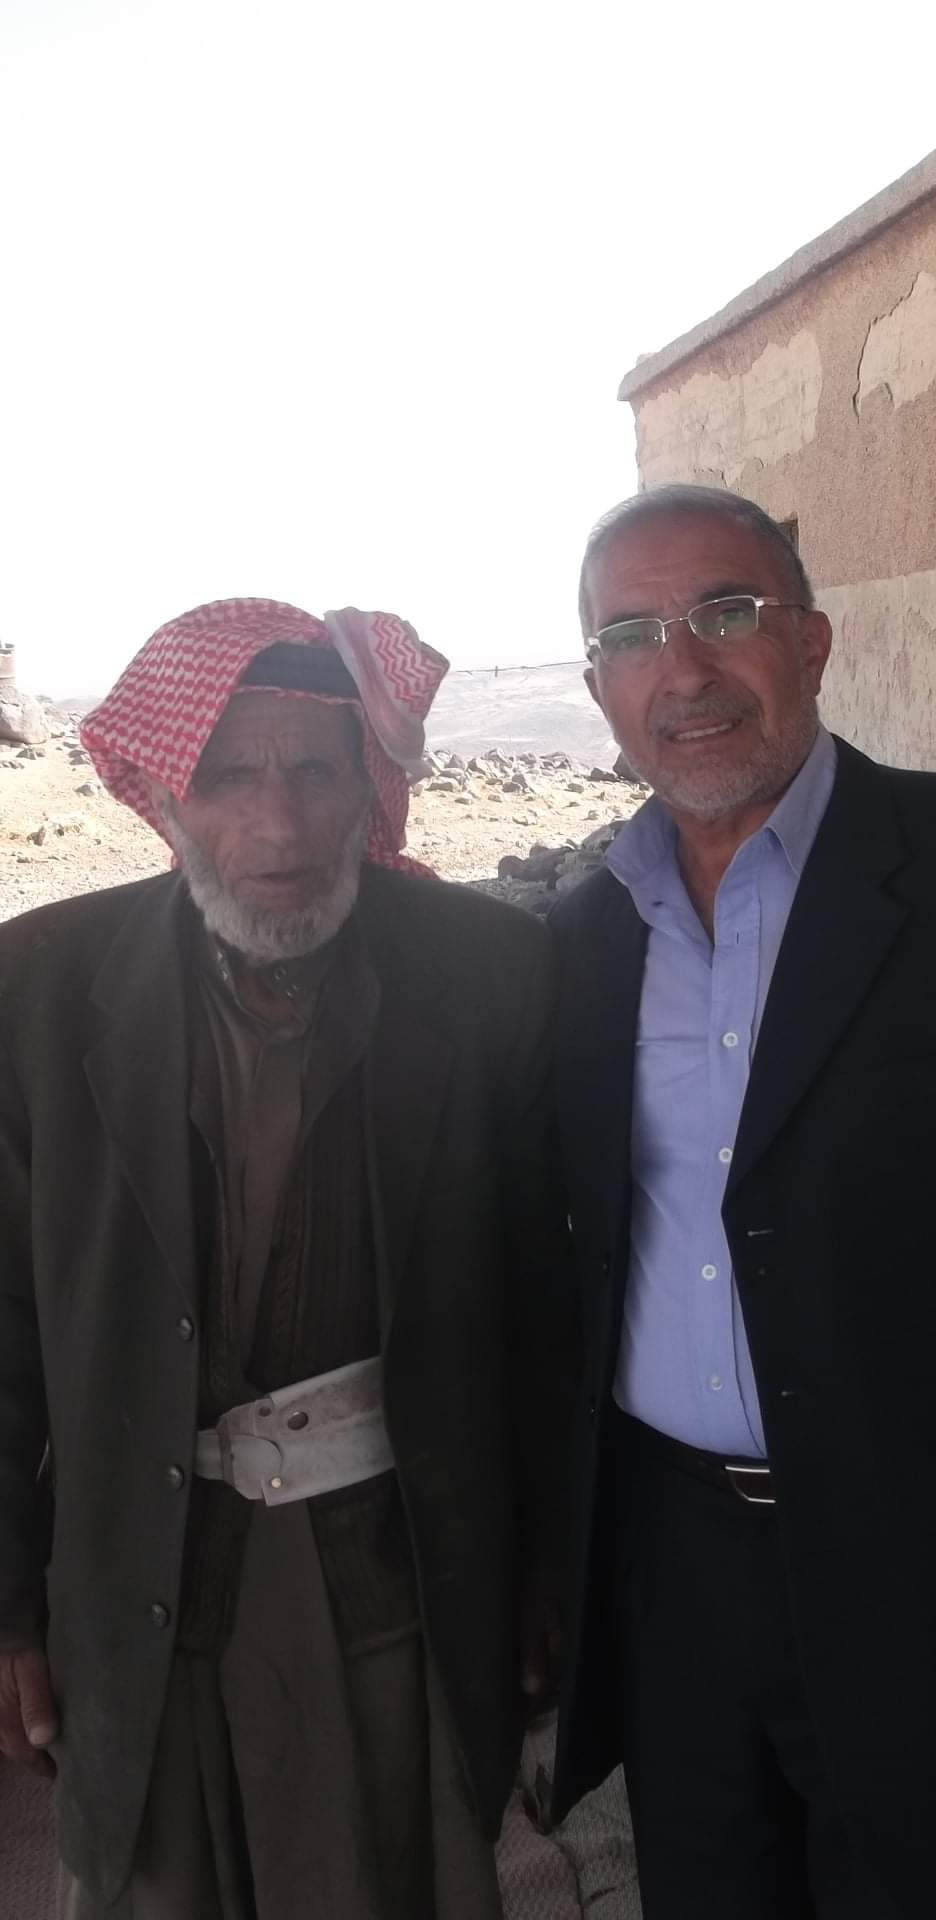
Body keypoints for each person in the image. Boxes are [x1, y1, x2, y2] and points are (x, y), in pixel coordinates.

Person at [0, 597, 576, 1919]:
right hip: (139, 1585)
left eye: (316, 771)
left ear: (367, 786)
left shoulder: (488, 973)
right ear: (161, 791)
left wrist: (547, 1566)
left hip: (403, 1578)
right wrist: (7, 1608)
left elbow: (547, 1303)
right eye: (228, 776)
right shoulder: (37, 989)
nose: (279, 823)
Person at [549, 484, 936, 1919]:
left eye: (726, 612)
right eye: (631, 636)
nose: (683, 668)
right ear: (598, 687)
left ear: (813, 640)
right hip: (678, 1578)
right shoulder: (588, 937)